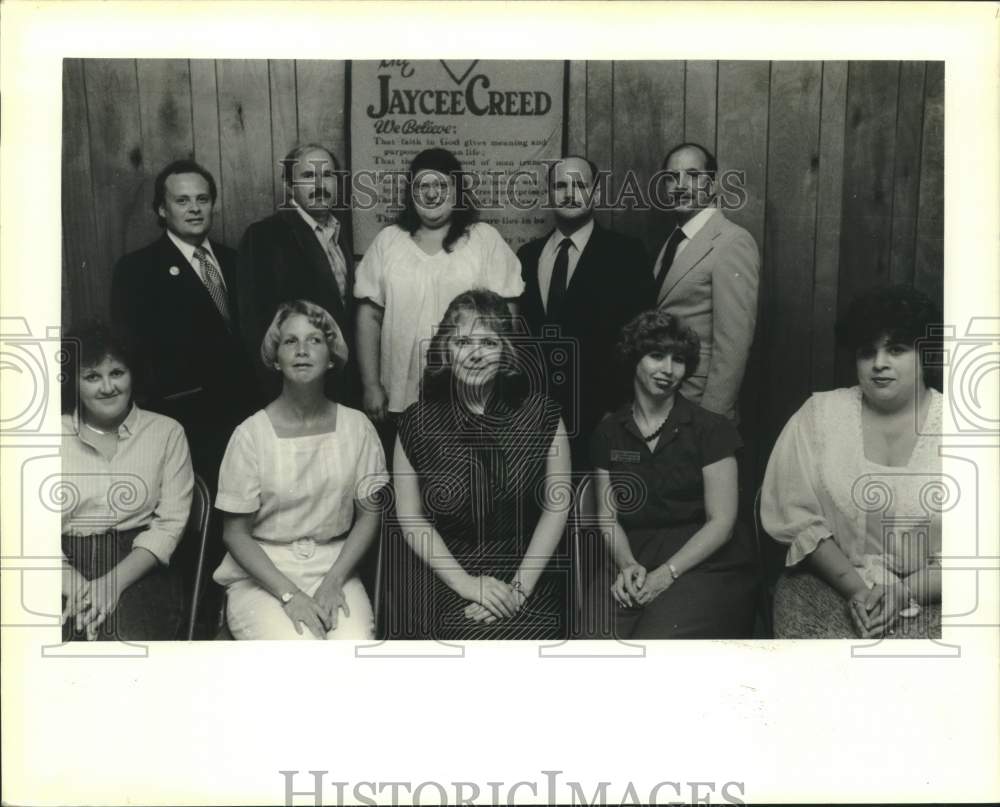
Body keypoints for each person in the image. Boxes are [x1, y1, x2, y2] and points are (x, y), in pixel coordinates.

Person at [761, 285, 943, 639]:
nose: (879, 363)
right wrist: (857, 590)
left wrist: (906, 592)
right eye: (866, 352)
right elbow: (798, 520)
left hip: (936, 593)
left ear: (925, 354)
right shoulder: (818, 416)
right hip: (829, 582)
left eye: (896, 349)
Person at [392, 289, 572, 640]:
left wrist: (519, 589)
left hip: (525, 570)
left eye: (489, 343)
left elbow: (557, 507)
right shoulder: (415, 423)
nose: (475, 354)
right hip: (445, 568)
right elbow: (410, 517)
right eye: (462, 343)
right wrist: (466, 584)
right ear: (446, 350)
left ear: (507, 352)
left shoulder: (543, 415)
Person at [213, 300, 387, 640]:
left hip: (336, 566)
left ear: (332, 355)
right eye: (290, 341)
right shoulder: (250, 435)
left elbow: (369, 515)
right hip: (264, 574)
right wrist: (290, 595)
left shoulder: (357, 427)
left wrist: (334, 580)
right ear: (276, 358)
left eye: (315, 340)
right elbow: (235, 534)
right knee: (299, 655)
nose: (302, 350)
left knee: (354, 650)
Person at [581, 309, 757, 639]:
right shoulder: (607, 432)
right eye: (656, 355)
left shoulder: (712, 429)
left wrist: (666, 574)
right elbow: (607, 517)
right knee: (594, 641)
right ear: (634, 359)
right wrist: (627, 565)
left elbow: (721, 523)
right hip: (633, 552)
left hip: (703, 560)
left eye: (678, 359)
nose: (667, 369)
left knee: (658, 642)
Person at [354, 148, 524, 456]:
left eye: (441, 186)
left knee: (463, 479)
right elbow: (369, 317)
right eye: (423, 186)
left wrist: (498, 382)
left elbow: (508, 315)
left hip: (471, 390)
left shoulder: (484, 239)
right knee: (405, 476)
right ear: (412, 192)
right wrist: (370, 385)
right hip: (400, 394)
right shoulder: (389, 241)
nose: (432, 194)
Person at [111, 159, 257, 489]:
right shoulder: (137, 270)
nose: (194, 209)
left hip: (247, 420)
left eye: (202, 199)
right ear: (162, 210)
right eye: (182, 201)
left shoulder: (237, 261)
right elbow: (132, 354)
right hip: (186, 425)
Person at [60, 320, 193, 641]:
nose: (107, 387)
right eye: (92, 376)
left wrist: (112, 583)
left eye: (116, 373)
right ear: (73, 384)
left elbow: (170, 525)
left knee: (124, 647)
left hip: (137, 563)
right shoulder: (48, 435)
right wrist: (79, 588)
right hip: (61, 564)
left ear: (133, 375)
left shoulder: (166, 433)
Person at [518, 155, 654, 468]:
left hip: (602, 413)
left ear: (595, 192)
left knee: (594, 508)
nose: (569, 192)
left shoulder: (625, 253)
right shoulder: (527, 256)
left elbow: (640, 337)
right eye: (560, 185)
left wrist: (617, 406)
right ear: (549, 194)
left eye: (580, 184)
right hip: (536, 415)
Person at [237, 143, 359, 405]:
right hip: (291, 391)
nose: (320, 184)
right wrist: (275, 394)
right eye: (308, 176)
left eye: (327, 175)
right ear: (289, 186)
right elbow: (254, 326)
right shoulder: (263, 236)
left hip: (340, 388)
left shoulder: (340, 234)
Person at [653, 142, 760, 422]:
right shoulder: (674, 241)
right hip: (663, 398)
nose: (680, 185)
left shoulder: (732, 241)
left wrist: (712, 421)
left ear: (712, 186)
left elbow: (733, 344)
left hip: (700, 404)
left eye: (693, 175)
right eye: (671, 178)